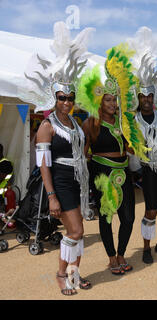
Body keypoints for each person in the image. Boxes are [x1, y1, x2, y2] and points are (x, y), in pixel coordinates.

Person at [20, 21, 93, 296]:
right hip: (59, 182)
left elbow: (82, 150)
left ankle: (74, 273)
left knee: (80, 230)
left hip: (76, 181)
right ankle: (62, 274)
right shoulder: (46, 126)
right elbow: (43, 164)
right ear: (54, 97)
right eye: (62, 97)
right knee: (74, 231)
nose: (66, 102)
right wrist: (50, 195)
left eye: (70, 98)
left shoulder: (74, 123)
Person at [77, 45, 147, 275]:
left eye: (115, 99)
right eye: (108, 100)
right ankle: (111, 258)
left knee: (128, 217)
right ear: (99, 101)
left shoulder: (123, 122)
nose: (112, 104)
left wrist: (135, 144)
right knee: (106, 217)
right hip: (101, 172)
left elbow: (132, 148)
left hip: (124, 170)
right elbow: (82, 152)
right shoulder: (91, 124)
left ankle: (121, 253)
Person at [127, 27, 157, 264]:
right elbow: (132, 149)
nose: (146, 99)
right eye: (143, 96)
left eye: (150, 96)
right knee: (151, 211)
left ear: (154, 97)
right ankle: (146, 247)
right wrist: (137, 170)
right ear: (138, 97)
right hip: (148, 170)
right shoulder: (133, 121)